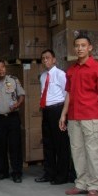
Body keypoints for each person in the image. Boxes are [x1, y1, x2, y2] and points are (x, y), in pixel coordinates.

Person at [59, 34, 98, 196]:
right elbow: (68, 93)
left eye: (83, 45)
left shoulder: (95, 68)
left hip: (91, 115)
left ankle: (94, 185)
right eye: (77, 45)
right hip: (74, 117)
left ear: (90, 48)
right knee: (77, 151)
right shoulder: (71, 70)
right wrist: (63, 115)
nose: (80, 48)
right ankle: (81, 183)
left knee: (92, 152)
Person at [34, 49, 71, 185]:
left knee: (60, 144)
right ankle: (49, 173)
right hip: (47, 110)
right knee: (48, 143)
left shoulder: (61, 74)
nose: (45, 60)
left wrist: (63, 114)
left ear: (54, 59)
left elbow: (66, 94)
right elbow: (44, 93)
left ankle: (62, 176)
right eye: (43, 58)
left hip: (58, 109)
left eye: (48, 58)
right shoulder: (43, 76)